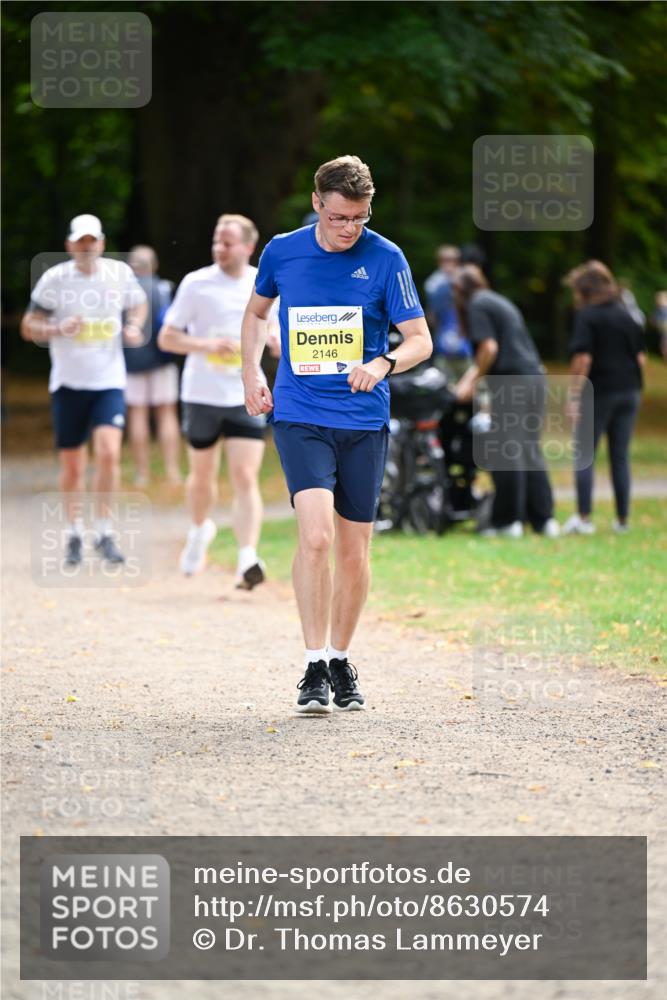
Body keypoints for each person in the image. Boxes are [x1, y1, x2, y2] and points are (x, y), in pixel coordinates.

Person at [241, 154, 432, 713]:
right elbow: (256, 315)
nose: (351, 228)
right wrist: (251, 371)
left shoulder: (385, 257)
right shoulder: (282, 250)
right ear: (318, 204)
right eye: (340, 217)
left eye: (361, 218)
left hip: (363, 419)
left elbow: (419, 337)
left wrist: (384, 364)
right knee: (317, 537)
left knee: (353, 550)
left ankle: (340, 657)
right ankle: (312, 666)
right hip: (300, 412)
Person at [21, 214, 148, 565]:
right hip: (68, 382)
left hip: (108, 380)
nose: (87, 247)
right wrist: (59, 328)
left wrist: (134, 325)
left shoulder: (119, 274)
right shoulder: (55, 279)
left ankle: (105, 530)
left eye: (92, 241)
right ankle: (73, 532)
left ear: (102, 244)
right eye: (80, 241)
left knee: (108, 452)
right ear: (69, 245)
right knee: (74, 465)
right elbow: (28, 326)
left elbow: (138, 303)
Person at [158, 213, 277, 586]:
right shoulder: (196, 284)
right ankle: (198, 531)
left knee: (245, 476)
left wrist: (274, 341)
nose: (219, 249)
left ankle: (247, 558)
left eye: (226, 242)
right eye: (216, 242)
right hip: (202, 394)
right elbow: (167, 338)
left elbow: (273, 329)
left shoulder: (264, 281)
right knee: (203, 476)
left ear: (247, 246)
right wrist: (206, 344)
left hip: (246, 393)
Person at [453, 264, 559, 538]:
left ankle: (507, 521)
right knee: (528, 448)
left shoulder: (477, 304)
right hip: (534, 377)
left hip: (511, 382)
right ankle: (543, 519)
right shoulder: (497, 300)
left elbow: (489, 347)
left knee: (507, 450)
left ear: (459, 290)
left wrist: (472, 381)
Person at [563, 260, 646, 535]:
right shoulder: (627, 315)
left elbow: (583, 358)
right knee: (619, 456)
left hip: (601, 391)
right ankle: (622, 521)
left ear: (584, 290)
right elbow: (641, 359)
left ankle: (584, 519)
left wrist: (574, 396)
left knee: (585, 454)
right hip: (630, 390)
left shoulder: (588, 316)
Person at [124, 245, 181, 486]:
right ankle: (172, 471)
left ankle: (142, 474)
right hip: (162, 359)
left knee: (137, 414)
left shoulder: (122, 293)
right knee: (166, 413)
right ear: (154, 265)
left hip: (131, 362)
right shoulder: (164, 288)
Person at [424, 244, 471, 377]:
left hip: (467, 346)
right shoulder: (433, 284)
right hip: (443, 346)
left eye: (453, 260)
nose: (449, 264)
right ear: (439, 261)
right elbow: (431, 316)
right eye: (446, 260)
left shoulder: (467, 280)